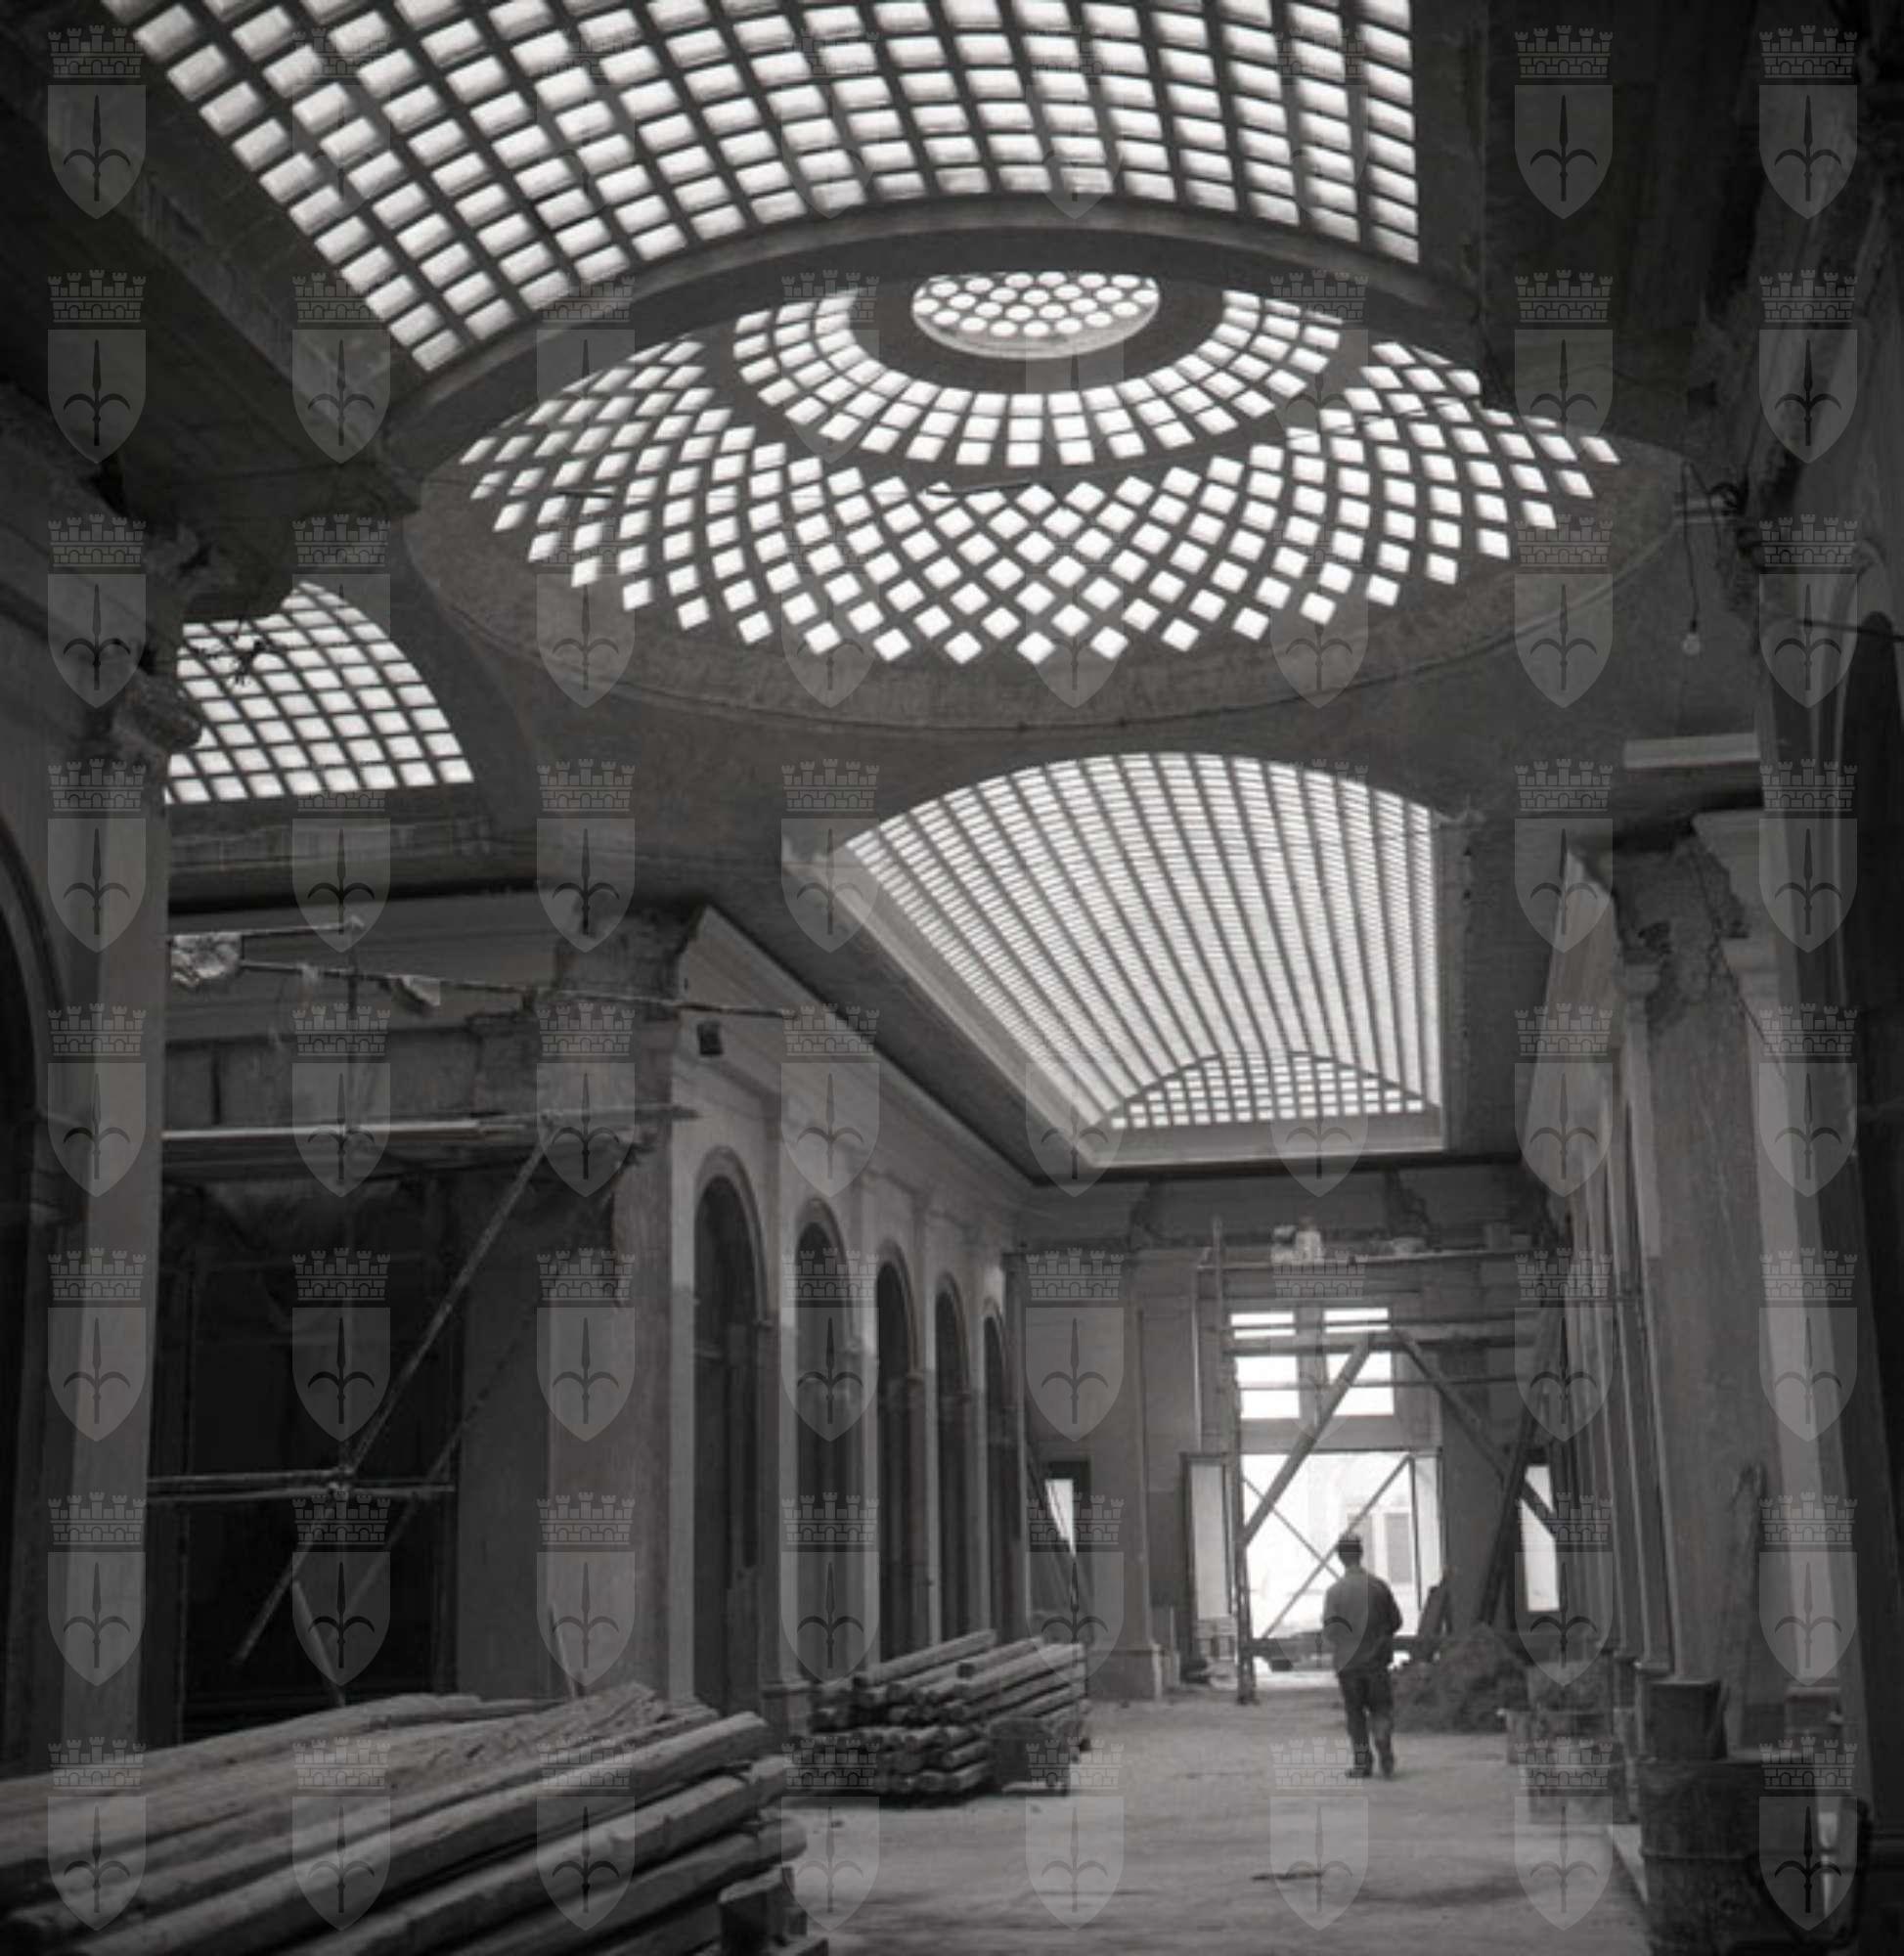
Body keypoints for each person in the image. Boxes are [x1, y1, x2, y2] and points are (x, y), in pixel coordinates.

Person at [1320, 1531, 1403, 1778]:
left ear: (1340, 1557)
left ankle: (1362, 1763)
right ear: (1361, 1554)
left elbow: (1330, 1631)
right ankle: (1382, 1739)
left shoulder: (1334, 1592)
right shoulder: (1379, 1587)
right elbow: (1396, 1621)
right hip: (1376, 1663)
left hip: (1348, 1665)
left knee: (1355, 1715)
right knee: (1381, 1708)